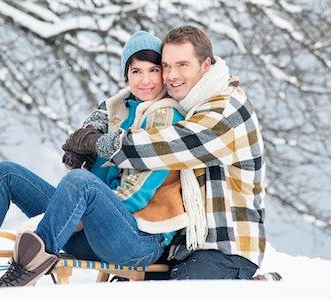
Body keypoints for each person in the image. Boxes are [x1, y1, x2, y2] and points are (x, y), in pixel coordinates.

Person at [0, 31, 190, 293]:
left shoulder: (165, 118)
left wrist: (78, 204)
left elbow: (135, 197)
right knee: (5, 173)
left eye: (154, 69)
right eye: (136, 71)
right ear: (126, 76)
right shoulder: (114, 114)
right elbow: (91, 182)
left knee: (79, 184)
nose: (146, 80)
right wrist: (83, 165)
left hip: (135, 241)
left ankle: (25, 270)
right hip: (92, 233)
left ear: (164, 74)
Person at [62, 25, 267, 280]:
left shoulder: (226, 110)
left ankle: (255, 287)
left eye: (182, 64)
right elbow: (131, 96)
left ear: (205, 66)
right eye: (166, 66)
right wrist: (93, 126)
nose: (171, 75)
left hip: (225, 248)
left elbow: (165, 145)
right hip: (184, 247)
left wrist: (96, 143)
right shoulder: (191, 95)